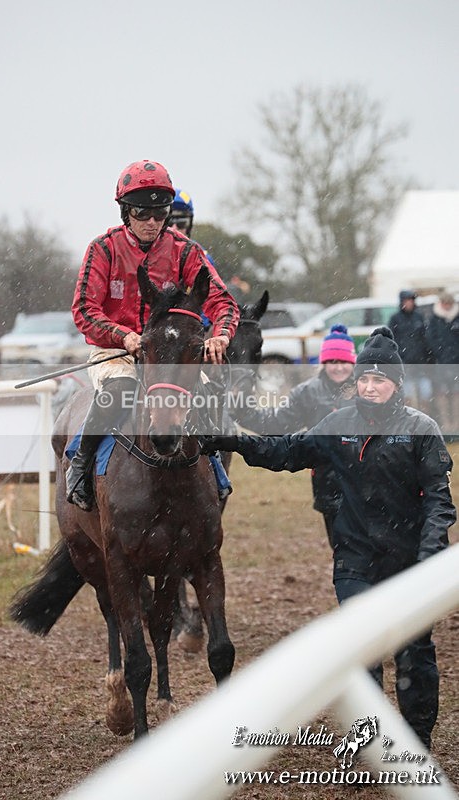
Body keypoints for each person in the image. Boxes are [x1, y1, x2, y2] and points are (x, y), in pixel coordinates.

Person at [202, 326, 456, 748]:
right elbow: (285, 452)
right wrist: (232, 440)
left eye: (380, 379)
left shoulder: (421, 428)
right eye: (365, 379)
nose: (371, 387)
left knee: (414, 655)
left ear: (396, 384)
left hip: (410, 560)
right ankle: (372, 741)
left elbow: (439, 502)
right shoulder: (338, 424)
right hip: (355, 560)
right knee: (362, 651)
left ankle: (417, 742)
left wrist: (430, 554)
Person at [66, 160, 240, 511]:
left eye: (159, 214)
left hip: (168, 354)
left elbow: (223, 301)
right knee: (121, 390)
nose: (152, 223)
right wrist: (124, 337)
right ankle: (81, 464)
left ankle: (215, 466)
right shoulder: (103, 249)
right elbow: (84, 309)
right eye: (143, 214)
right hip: (116, 352)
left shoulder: (184, 250)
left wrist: (220, 335)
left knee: (207, 393)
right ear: (126, 212)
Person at [232, 324, 356, 547]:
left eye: (344, 362)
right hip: (329, 484)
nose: (339, 368)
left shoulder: (365, 389)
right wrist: (244, 412)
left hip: (366, 484)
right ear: (324, 363)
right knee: (342, 550)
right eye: (333, 362)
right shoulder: (308, 393)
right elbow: (276, 422)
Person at [387, 289, 433, 411]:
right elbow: (391, 341)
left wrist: (428, 358)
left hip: (420, 361)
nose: (409, 303)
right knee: (407, 394)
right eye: (407, 300)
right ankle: (409, 418)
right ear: (402, 302)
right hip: (404, 361)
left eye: (411, 300)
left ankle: (424, 417)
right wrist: (399, 357)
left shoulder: (419, 317)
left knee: (425, 392)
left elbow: (426, 339)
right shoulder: (395, 319)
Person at [426, 291, 459, 435]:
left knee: (456, 394)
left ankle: (456, 424)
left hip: (456, 362)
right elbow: (430, 339)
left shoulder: (457, 318)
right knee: (442, 394)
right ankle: (446, 423)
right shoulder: (434, 319)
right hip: (440, 363)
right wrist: (439, 354)